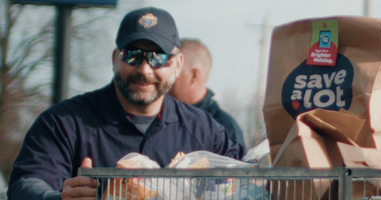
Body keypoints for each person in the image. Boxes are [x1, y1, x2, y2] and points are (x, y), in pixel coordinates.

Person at [7, 7, 245, 200]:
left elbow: (249, 178)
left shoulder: (203, 129)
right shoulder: (64, 122)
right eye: (132, 54)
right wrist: (56, 198)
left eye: (157, 58)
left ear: (178, 64)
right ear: (115, 58)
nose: (144, 69)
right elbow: (26, 184)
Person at [168, 38, 245, 147]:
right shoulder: (158, 118)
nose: (165, 78)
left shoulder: (224, 129)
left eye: (173, 72)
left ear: (194, 75)